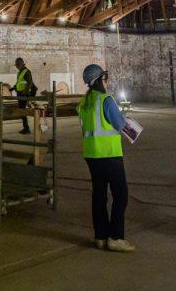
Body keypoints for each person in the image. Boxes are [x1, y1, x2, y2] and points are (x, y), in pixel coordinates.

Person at [78, 62, 134, 253]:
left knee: (99, 196)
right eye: (105, 78)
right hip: (109, 155)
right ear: (99, 80)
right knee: (121, 194)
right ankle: (116, 237)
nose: (107, 81)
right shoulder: (106, 100)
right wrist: (125, 116)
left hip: (92, 155)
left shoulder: (83, 103)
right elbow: (120, 125)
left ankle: (100, 236)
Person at [14, 56, 36, 134]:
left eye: (17, 65)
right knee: (22, 111)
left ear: (21, 64)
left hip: (24, 94)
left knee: (22, 111)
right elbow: (19, 82)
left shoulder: (26, 71)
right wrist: (14, 87)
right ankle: (26, 128)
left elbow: (29, 83)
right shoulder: (20, 72)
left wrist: (25, 91)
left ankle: (26, 128)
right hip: (20, 94)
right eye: (16, 65)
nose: (16, 67)